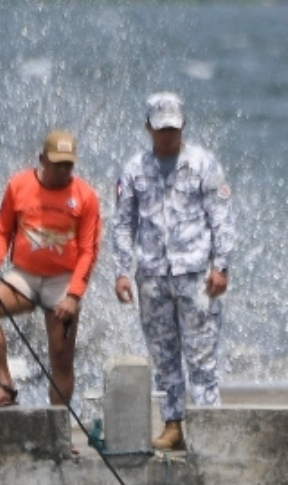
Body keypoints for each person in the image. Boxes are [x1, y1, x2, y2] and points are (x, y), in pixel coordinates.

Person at [113, 92, 235, 453]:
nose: (168, 136)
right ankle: (174, 423)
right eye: (161, 128)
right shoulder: (134, 169)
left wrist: (221, 265)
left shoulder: (202, 164)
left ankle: (209, 422)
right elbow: (123, 223)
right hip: (152, 274)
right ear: (148, 127)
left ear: (184, 126)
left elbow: (221, 217)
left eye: (174, 128)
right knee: (165, 356)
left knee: (201, 354)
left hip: (195, 273)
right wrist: (122, 271)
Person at [0, 130, 100, 410]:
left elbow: (88, 252)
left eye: (69, 164)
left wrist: (73, 295)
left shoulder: (86, 196)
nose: (63, 170)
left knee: (61, 361)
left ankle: (59, 428)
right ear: (42, 159)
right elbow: (2, 230)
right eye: (57, 163)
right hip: (25, 276)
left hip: (63, 282)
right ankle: (5, 386)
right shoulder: (19, 185)